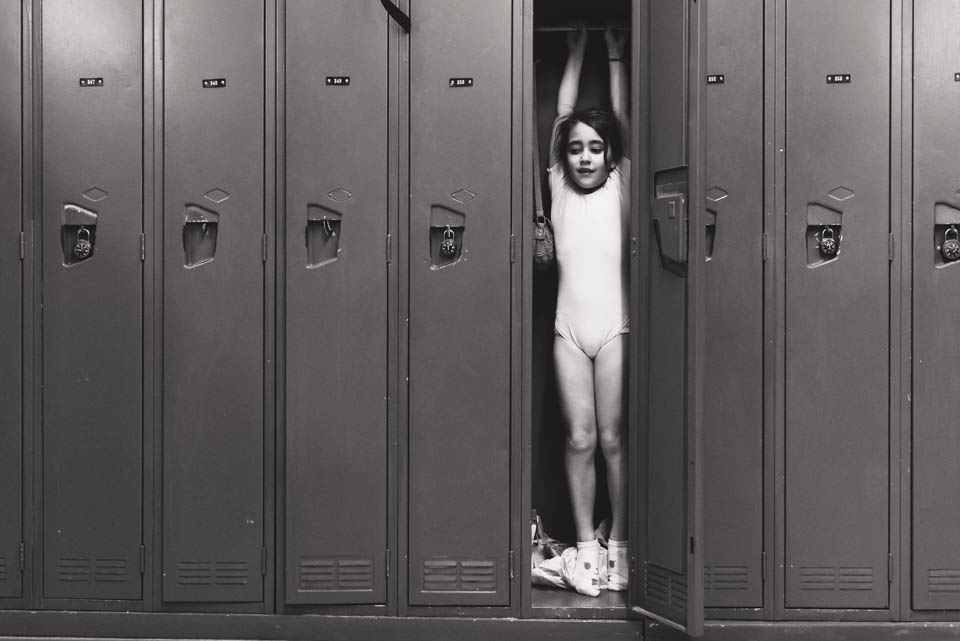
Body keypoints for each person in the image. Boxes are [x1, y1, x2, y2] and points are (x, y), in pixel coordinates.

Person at [548, 25, 630, 597]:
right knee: (578, 439)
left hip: (616, 328)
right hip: (569, 332)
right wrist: (575, 55)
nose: (583, 156)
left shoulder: (620, 185)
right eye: (576, 147)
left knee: (611, 439)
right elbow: (559, 118)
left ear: (609, 154)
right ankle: (583, 547)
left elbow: (623, 118)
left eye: (594, 147)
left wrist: (616, 56)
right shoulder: (556, 184)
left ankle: (618, 544)